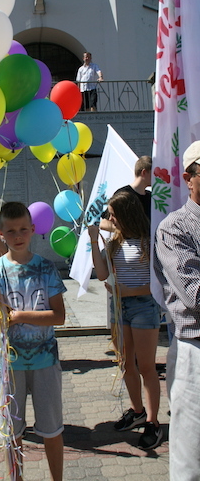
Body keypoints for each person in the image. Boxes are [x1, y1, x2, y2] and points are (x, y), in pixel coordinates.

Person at [0, 202, 66, 481]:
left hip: (45, 362)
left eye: (23, 229)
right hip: (10, 365)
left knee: (52, 430)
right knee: (12, 432)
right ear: (0, 233)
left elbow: (59, 316)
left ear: (32, 230)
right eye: (11, 231)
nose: (17, 236)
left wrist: (19, 316)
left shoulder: (46, 268)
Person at [88, 190, 162, 450]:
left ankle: (153, 423)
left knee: (146, 367)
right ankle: (137, 410)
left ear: (125, 215)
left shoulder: (149, 241)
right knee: (125, 363)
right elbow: (101, 274)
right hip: (120, 309)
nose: (110, 219)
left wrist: (125, 291)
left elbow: (157, 285)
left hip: (143, 308)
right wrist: (95, 241)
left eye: (113, 215)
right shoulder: (115, 242)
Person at [154, 141, 200, 480]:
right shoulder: (175, 227)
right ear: (189, 177)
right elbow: (195, 294)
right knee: (191, 459)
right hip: (194, 351)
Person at [100, 156, 152, 232]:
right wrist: (129, 232)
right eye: (154, 173)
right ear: (144, 172)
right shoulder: (123, 194)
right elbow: (104, 223)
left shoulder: (151, 196)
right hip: (128, 243)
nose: (157, 176)